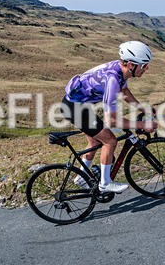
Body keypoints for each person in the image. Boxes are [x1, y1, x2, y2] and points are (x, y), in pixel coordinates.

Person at [61, 40, 158, 193]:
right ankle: (105, 183)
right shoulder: (112, 79)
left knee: (94, 141)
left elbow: (125, 93)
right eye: (144, 65)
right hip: (75, 108)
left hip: (79, 105)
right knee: (110, 141)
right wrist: (141, 125)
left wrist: (143, 108)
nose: (147, 68)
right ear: (132, 65)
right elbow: (111, 120)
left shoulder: (121, 70)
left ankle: (81, 177)